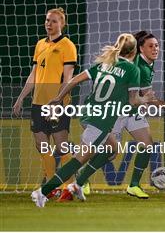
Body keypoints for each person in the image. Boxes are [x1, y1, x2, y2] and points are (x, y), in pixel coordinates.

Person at [30, 33, 155, 207]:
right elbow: (133, 100)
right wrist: (146, 99)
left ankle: (78, 184)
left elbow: (75, 79)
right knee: (78, 160)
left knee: (112, 148)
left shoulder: (105, 63)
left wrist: (59, 97)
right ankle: (42, 192)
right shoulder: (132, 69)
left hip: (88, 113)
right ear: (134, 51)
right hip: (101, 120)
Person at [74, 31, 160, 199]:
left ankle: (134, 185)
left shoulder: (147, 64)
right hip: (117, 111)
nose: (155, 49)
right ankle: (81, 179)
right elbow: (144, 97)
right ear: (139, 49)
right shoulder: (135, 66)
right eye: (151, 46)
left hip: (132, 110)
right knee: (110, 152)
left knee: (147, 145)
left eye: (157, 45)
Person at [13, 7, 77, 201]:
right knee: (42, 146)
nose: (50, 24)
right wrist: (21, 97)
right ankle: (51, 186)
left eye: (54, 21)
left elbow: (68, 78)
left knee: (61, 147)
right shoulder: (40, 44)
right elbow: (34, 75)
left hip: (57, 103)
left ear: (62, 24)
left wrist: (59, 101)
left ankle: (69, 187)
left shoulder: (67, 45)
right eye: (48, 20)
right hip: (37, 104)